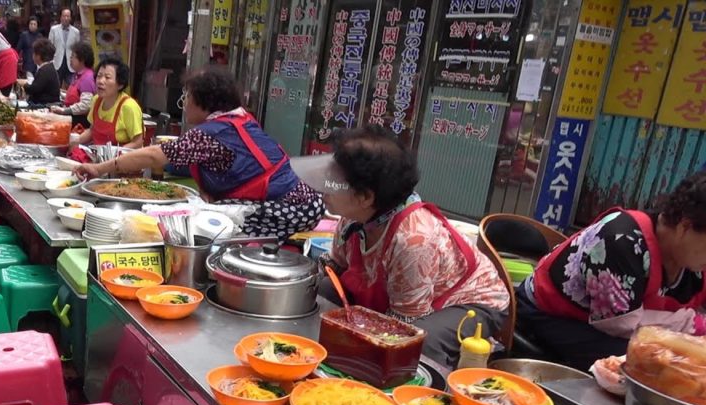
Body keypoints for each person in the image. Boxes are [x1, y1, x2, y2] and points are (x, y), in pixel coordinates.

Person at [291, 126, 510, 367]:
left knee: (414, 348)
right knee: (320, 296)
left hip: (466, 301)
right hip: (397, 295)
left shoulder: (414, 239)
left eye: (333, 183)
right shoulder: (354, 216)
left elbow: (404, 324)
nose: (324, 189)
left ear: (365, 197)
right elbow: (335, 267)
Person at [75, 68, 322, 238]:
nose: (185, 102)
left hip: (292, 208)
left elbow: (153, 156)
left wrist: (98, 168)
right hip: (303, 202)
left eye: (188, 96)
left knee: (202, 227)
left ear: (204, 101)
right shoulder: (238, 119)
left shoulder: (210, 134)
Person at [517, 173, 706, 369]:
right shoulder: (620, 240)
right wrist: (692, 325)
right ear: (685, 227)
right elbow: (619, 325)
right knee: (650, 363)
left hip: (613, 328)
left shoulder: (693, 260)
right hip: (550, 316)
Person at [71, 58, 143, 148]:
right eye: (99, 76)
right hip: (98, 156)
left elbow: (138, 142)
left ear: (120, 84)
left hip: (122, 159)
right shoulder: (96, 100)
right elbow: (92, 130)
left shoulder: (129, 107)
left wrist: (115, 155)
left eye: (107, 77)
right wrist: (73, 141)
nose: (100, 81)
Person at [49, 42, 95, 128]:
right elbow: (75, 95)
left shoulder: (87, 78)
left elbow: (85, 105)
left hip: (79, 122)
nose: (70, 59)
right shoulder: (77, 75)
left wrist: (65, 111)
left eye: (73, 57)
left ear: (82, 59)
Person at [19, 38, 60, 106]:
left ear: (38, 56)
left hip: (45, 104)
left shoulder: (45, 70)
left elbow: (33, 89)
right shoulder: (48, 67)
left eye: (34, 53)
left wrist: (24, 84)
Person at [49, 8, 79, 87]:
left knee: (71, 86)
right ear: (60, 17)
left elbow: (78, 49)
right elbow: (49, 47)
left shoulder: (76, 32)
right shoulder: (54, 30)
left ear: (70, 18)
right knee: (55, 85)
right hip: (57, 62)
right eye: (64, 16)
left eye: (68, 16)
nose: (66, 18)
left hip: (71, 63)